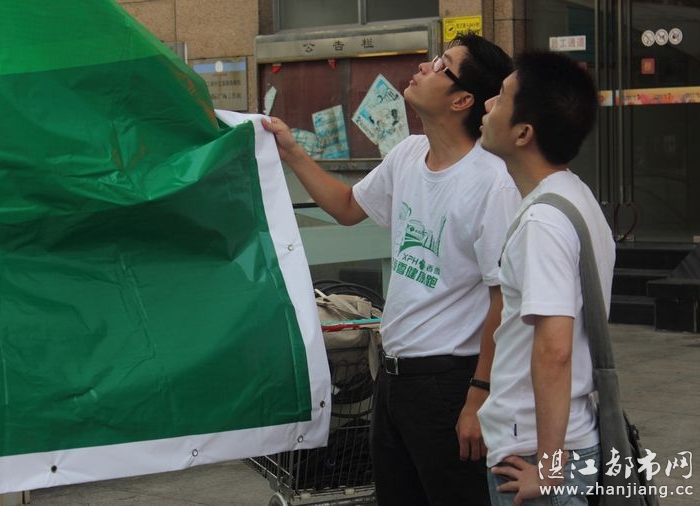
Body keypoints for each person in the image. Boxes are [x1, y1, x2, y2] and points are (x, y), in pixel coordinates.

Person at [262, 33, 518, 506]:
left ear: (462, 100)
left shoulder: (493, 181)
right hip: (394, 376)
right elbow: (347, 206)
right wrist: (293, 152)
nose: (424, 66)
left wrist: (479, 395)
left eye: (441, 65)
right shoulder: (407, 155)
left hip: (450, 382)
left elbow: (503, 300)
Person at [477, 51, 616, 505]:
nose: (487, 105)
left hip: (538, 451)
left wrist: (550, 469)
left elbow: (554, 349)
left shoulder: (542, 221)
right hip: (560, 440)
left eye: (501, 97)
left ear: (524, 133)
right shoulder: (576, 196)